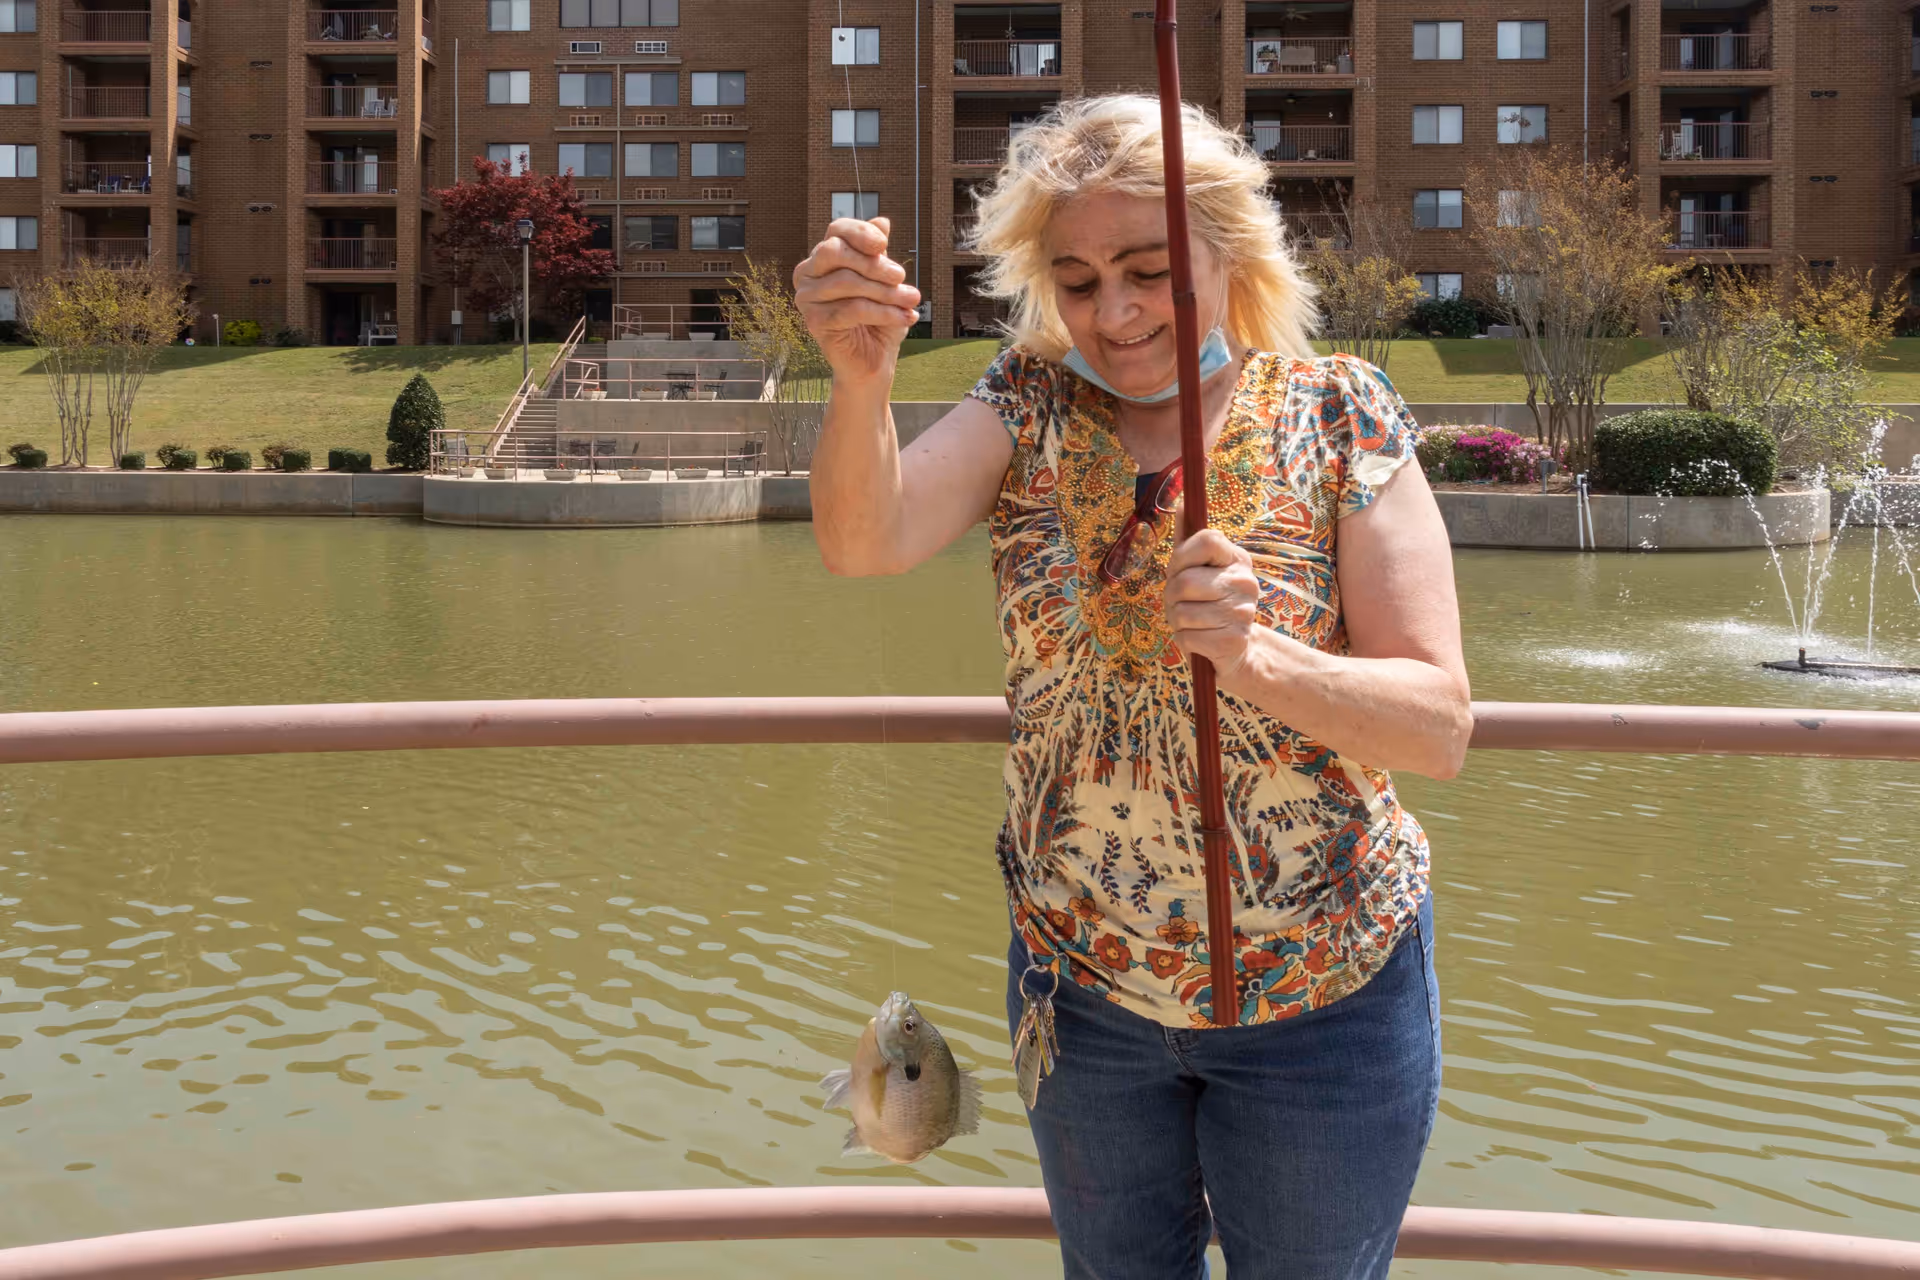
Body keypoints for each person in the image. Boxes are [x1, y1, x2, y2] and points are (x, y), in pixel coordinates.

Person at [795, 95, 1470, 1280]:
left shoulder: (1339, 409)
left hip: (1326, 994)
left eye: (1149, 269)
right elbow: (865, 541)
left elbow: (1438, 723)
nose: (1114, 312)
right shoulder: (1027, 402)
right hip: (1084, 988)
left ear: (1227, 249)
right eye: (1077, 277)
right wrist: (861, 380)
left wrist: (1261, 658)